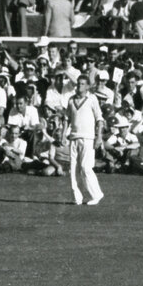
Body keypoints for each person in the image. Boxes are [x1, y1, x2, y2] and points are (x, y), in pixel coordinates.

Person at [62, 74, 104, 206]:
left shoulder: (92, 99)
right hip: (74, 137)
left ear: (87, 86)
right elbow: (67, 119)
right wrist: (64, 134)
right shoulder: (70, 100)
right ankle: (77, 197)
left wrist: (99, 137)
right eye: (78, 83)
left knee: (86, 168)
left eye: (82, 84)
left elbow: (100, 120)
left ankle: (96, 194)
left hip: (88, 138)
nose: (79, 86)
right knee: (73, 170)